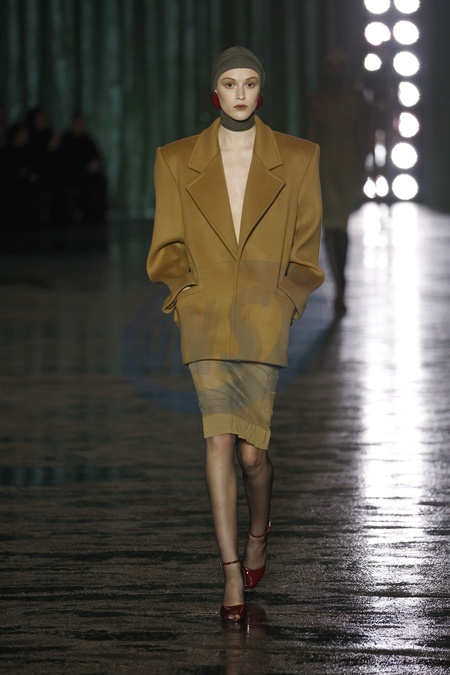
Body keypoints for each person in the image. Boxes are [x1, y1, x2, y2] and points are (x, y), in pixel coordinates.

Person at [147, 46, 324, 622]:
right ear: (215, 91)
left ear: (260, 90)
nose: (241, 93)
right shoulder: (176, 159)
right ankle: (230, 576)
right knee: (219, 441)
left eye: (250, 82)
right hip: (204, 318)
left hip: (262, 319)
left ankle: (258, 533)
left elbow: (306, 255)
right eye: (230, 83)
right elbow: (165, 247)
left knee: (253, 454)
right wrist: (185, 293)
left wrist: (284, 299)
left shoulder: (298, 157)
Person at [309, 49, 373, 315]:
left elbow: (365, 134)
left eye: (339, 65)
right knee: (332, 226)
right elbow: (311, 137)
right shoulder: (318, 101)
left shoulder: (357, 100)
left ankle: (340, 283)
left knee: (339, 226)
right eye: (331, 66)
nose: (335, 71)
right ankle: (339, 283)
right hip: (325, 169)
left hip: (347, 169)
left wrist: (365, 168)